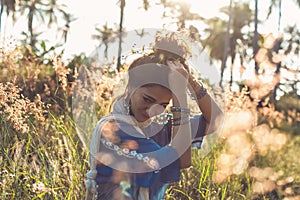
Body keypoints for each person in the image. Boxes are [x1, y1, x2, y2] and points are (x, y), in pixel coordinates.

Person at [85, 33, 223, 200]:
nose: (152, 110)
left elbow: (216, 120)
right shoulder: (115, 129)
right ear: (130, 88)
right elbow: (182, 160)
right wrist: (179, 94)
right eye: (147, 99)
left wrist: (190, 81)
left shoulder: (159, 125)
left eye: (163, 105)